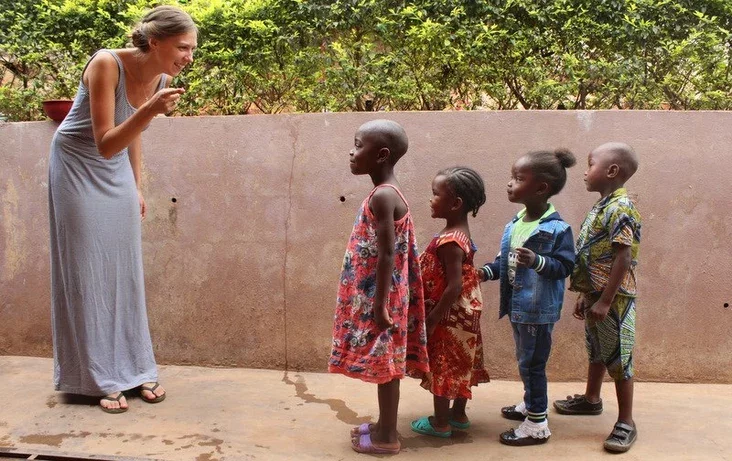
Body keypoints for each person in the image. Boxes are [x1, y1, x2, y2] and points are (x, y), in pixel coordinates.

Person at [48, 5, 197, 414]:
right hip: (77, 167)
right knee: (87, 272)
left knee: (125, 271)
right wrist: (150, 109)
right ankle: (98, 377)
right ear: (156, 42)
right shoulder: (106, 64)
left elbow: (134, 136)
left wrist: (136, 185)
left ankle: (135, 368)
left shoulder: (161, 78)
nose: (189, 57)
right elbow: (105, 142)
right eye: (183, 47)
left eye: (192, 49)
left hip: (116, 171)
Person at [328, 119, 429, 455]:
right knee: (384, 363)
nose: (351, 152)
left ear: (382, 155)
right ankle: (383, 425)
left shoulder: (385, 195)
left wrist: (379, 304)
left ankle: (387, 437)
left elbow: (387, 253)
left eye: (359, 146)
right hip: (383, 295)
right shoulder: (384, 192)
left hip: (384, 297)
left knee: (386, 367)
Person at [479, 149, 576, 446]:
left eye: (518, 178)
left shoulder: (558, 229)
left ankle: (536, 423)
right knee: (526, 360)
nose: (510, 183)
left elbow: (565, 267)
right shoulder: (516, 223)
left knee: (533, 365)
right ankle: (531, 404)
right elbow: (505, 261)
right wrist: (485, 272)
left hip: (537, 311)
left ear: (541, 188)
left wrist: (537, 261)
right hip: (518, 308)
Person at [553, 142, 641, 453]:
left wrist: (605, 300)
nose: (585, 172)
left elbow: (623, 257)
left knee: (619, 356)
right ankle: (591, 399)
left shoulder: (621, 207)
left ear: (612, 171)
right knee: (597, 350)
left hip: (614, 299)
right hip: (596, 294)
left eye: (591, 165)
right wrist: (586, 294)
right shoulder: (602, 206)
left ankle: (626, 421)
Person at [410, 167, 490, 438]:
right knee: (461, 361)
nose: (431, 199)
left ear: (455, 203)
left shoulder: (450, 242)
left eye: (435, 194)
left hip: (449, 315)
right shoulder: (461, 232)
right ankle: (458, 415)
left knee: (443, 364)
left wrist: (432, 319)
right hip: (465, 313)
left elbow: (454, 285)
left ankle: (440, 423)